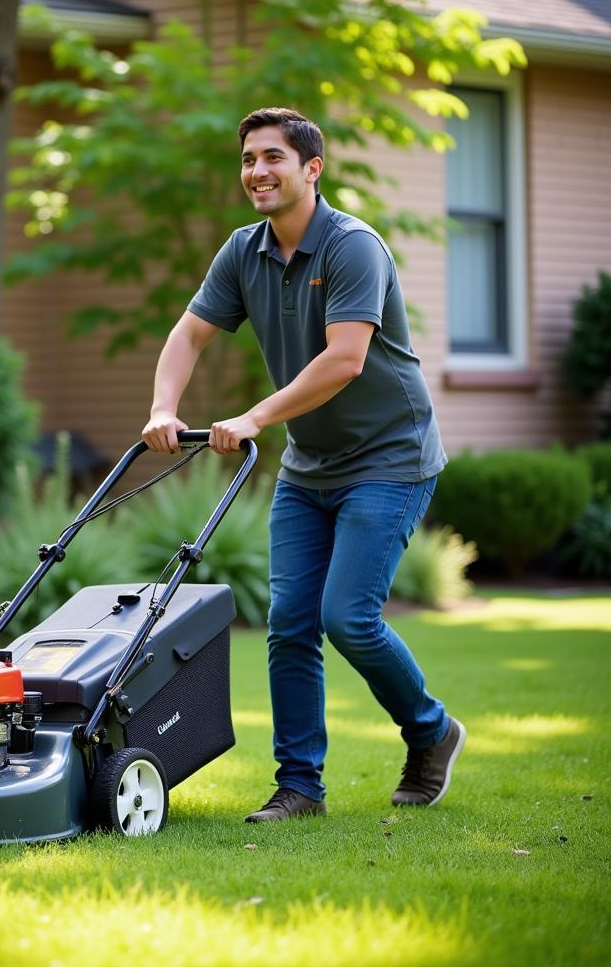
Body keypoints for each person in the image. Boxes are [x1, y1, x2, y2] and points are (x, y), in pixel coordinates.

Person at [141, 106, 465, 822]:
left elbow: (345, 360)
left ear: (311, 168)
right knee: (290, 622)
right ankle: (300, 788)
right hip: (310, 465)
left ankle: (431, 731)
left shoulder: (353, 247)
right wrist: (163, 407)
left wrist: (256, 417)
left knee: (347, 616)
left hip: (390, 458)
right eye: (249, 158)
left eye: (273, 158)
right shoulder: (243, 250)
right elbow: (189, 335)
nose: (257, 171)